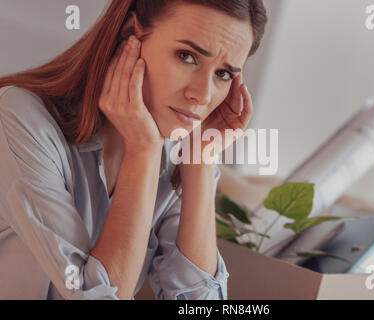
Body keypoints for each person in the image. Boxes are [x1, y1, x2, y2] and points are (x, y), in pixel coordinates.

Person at [0, 0, 267, 300]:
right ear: (131, 35)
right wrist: (143, 152)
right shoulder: (18, 118)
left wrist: (201, 160)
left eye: (223, 75)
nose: (201, 95)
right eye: (187, 56)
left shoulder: (175, 154)